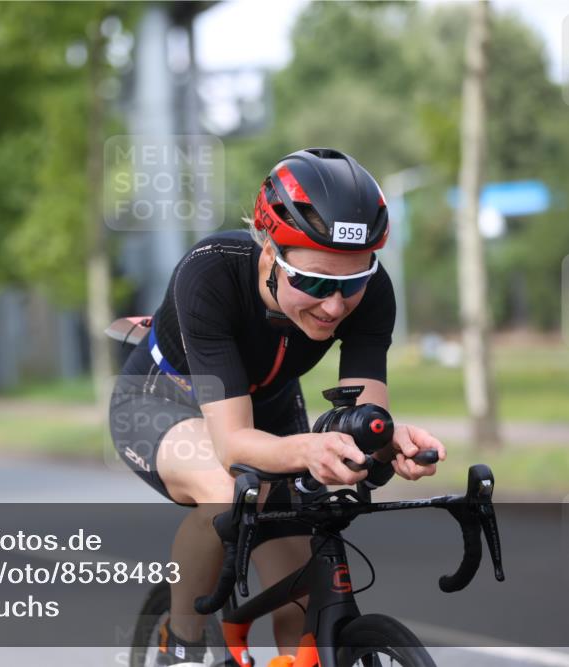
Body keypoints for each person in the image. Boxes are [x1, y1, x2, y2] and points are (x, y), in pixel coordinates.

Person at [109, 148, 447, 666]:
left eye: (351, 283)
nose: (334, 306)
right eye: (312, 281)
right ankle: (181, 642)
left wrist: (386, 441)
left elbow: (363, 419)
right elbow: (231, 445)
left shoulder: (373, 292)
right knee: (225, 492)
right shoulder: (210, 274)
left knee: (306, 596)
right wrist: (310, 449)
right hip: (163, 401)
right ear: (268, 249)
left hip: (267, 408)